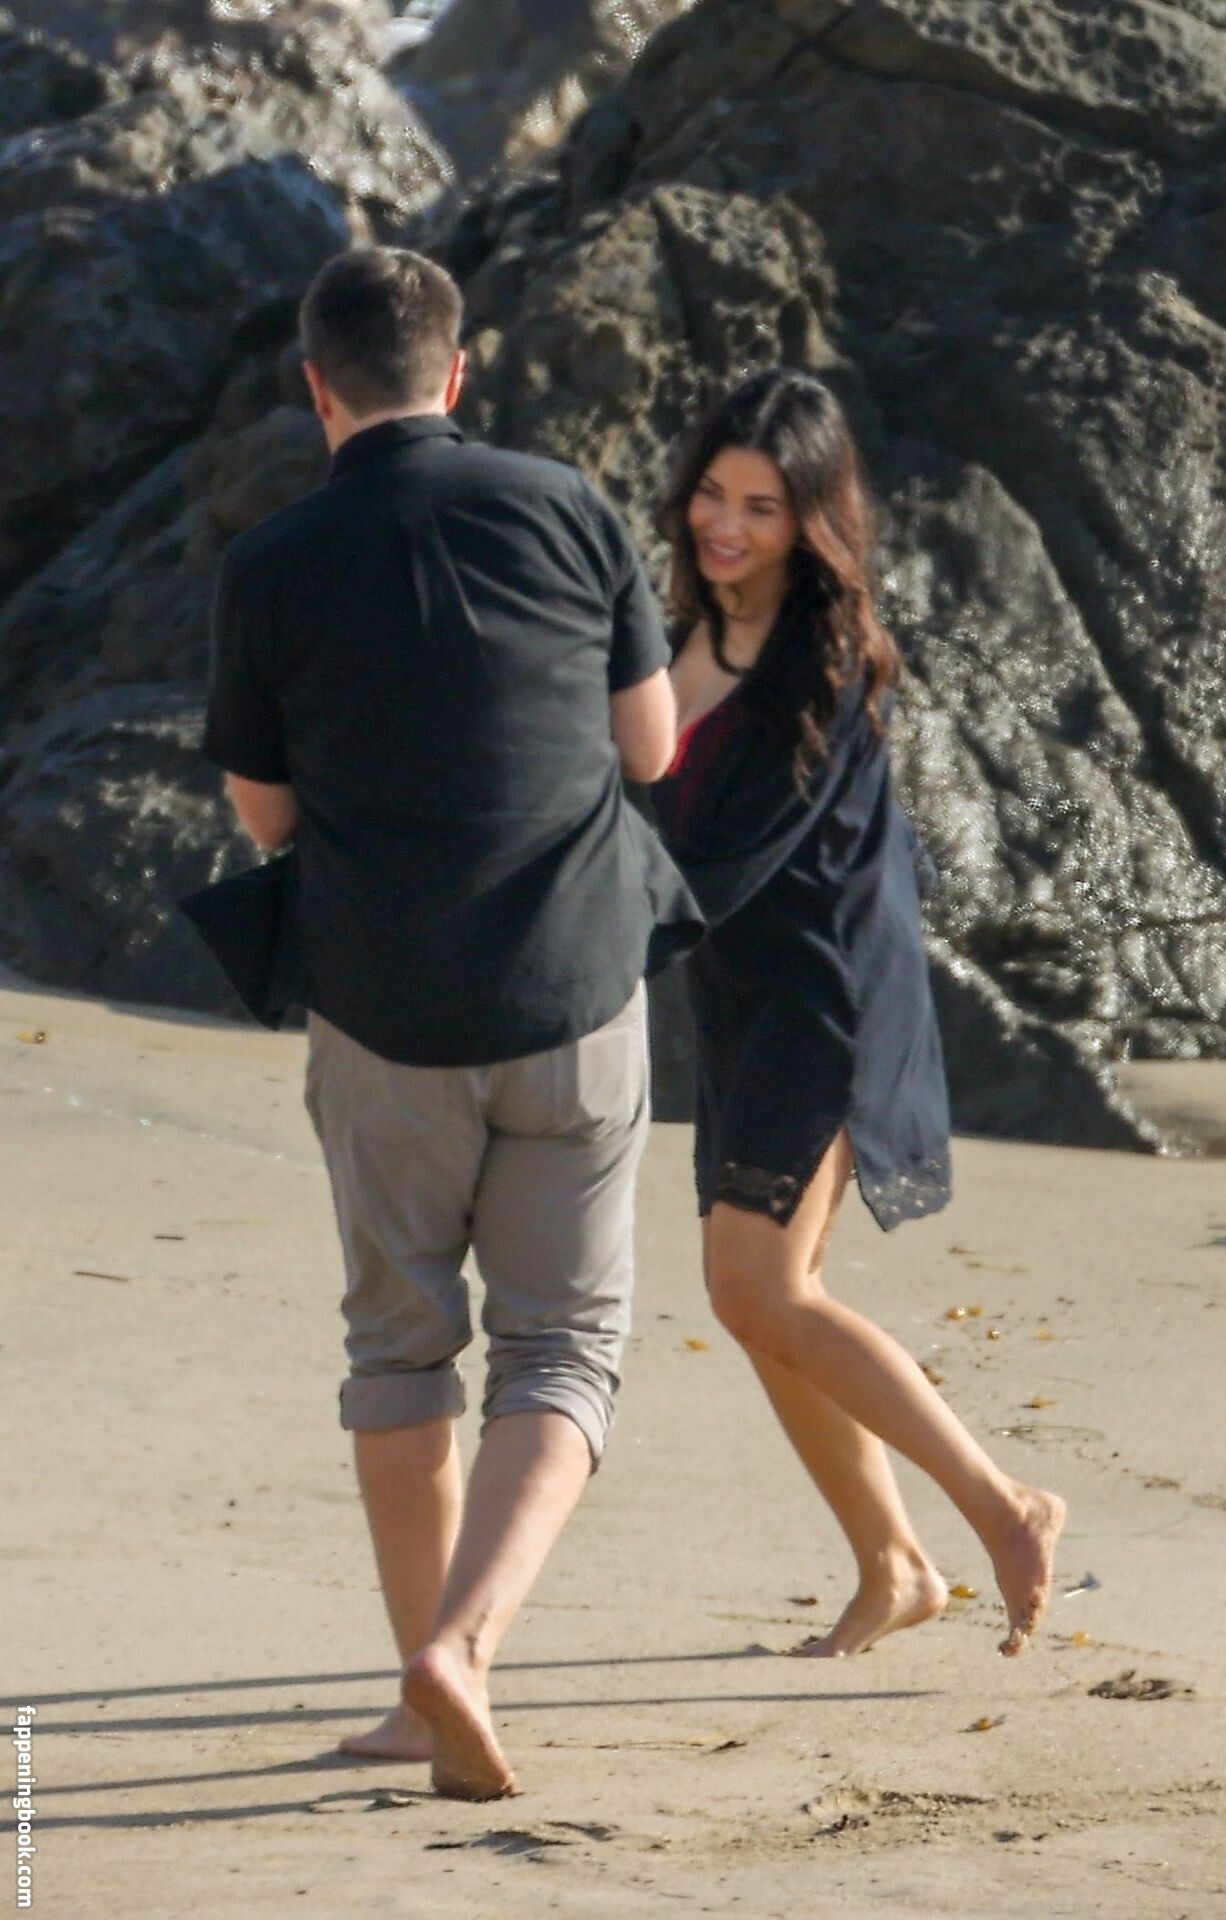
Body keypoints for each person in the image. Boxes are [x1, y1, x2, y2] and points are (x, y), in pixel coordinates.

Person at [198, 246, 701, 1800]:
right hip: (570, 989)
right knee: (564, 1345)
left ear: (315, 387)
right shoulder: (565, 506)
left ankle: (421, 1688)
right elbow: (650, 747)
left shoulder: (270, 561)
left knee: (400, 1346)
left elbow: (264, 814)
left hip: (379, 1006)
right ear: (458, 372)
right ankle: (467, 1648)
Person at [652, 370, 1067, 1659]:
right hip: (741, 1000)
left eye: (761, 507)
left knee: (762, 1286)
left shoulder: (820, 663)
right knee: (760, 1295)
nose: (725, 525)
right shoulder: (678, 635)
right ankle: (893, 1565)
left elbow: (733, 853)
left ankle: (1001, 1506)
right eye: (713, 495)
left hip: (826, 997)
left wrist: (581, 936)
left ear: (810, 523)